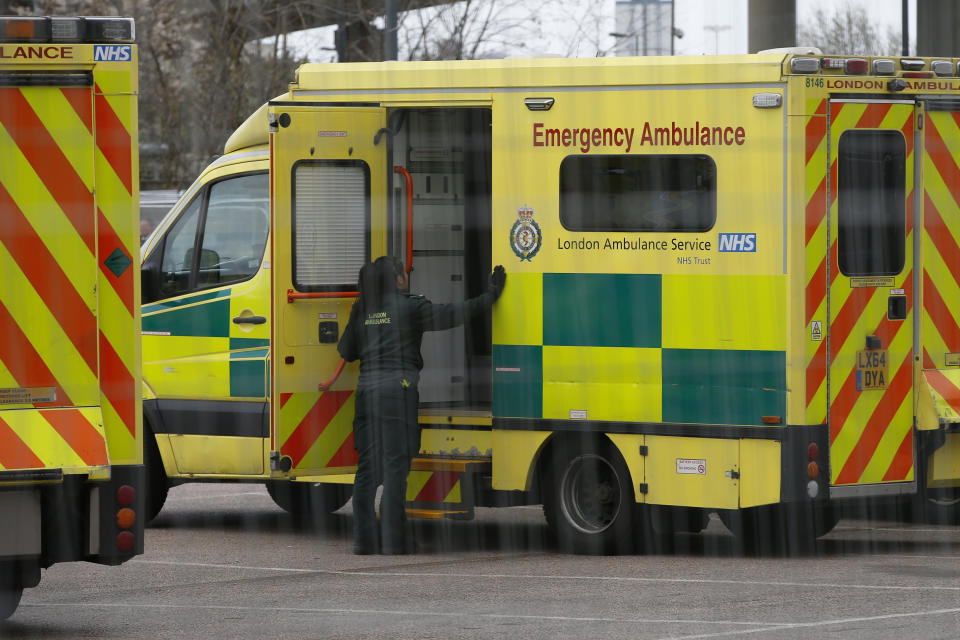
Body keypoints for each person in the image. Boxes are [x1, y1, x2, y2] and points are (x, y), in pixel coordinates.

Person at [337, 256, 506, 555]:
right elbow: (453, 314)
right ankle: (394, 541)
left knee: (366, 471)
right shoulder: (411, 306)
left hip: (365, 395)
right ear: (398, 279)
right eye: (405, 273)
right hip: (396, 394)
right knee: (394, 469)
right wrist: (490, 296)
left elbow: (346, 351)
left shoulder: (363, 308)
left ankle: (364, 540)